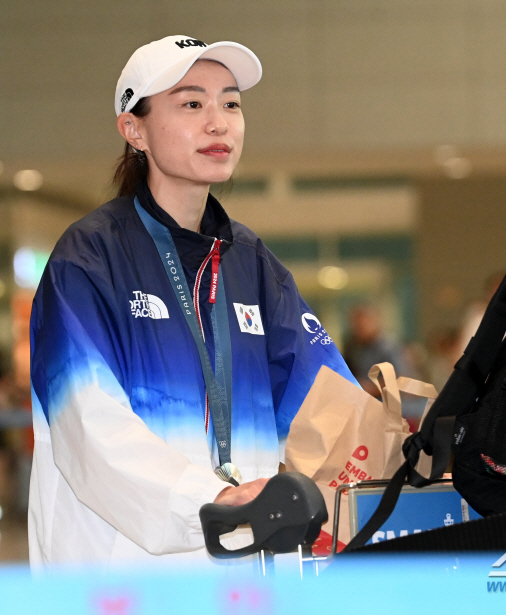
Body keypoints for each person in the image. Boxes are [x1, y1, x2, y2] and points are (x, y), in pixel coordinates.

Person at [28, 35, 357, 569]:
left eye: (230, 102)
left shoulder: (253, 263)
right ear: (134, 129)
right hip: (120, 578)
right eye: (191, 103)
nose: (218, 122)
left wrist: (396, 448)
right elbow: (86, 423)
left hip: (243, 570)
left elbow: (325, 403)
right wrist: (210, 501)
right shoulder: (87, 260)